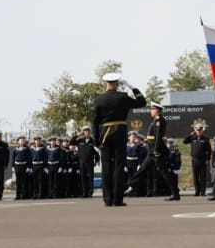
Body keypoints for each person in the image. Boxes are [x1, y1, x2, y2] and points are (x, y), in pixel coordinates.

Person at [93, 73, 146, 206]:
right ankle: (117, 199)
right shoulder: (123, 97)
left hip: (104, 133)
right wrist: (132, 87)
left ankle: (107, 199)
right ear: (117, 83)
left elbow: (95, 121)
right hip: (120, 131)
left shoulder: (99, 99)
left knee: (106, 167)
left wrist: (96, 139)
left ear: (105, 83)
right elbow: (141, 102)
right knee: (118, 166)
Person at [126, 102, 180, 201]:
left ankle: (175, 193)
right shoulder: (156, 120)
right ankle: (130, 186)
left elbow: (158, 136)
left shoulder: (159, 120)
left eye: (152, 109)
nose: (151, 111)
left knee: (164, 173)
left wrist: (156, 150)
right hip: (152, 151)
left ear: (157, 110)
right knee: (142, 169)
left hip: (156, 151)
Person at [70, 126, 100, 198]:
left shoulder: (93, 141)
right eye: (85, 131)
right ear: (83, 132)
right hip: (82, 162)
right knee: (83, 178)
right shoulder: (80, 140)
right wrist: (78, 135)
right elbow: (71, 142)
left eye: (88, 131)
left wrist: (96, 160)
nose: (87, 132)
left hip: (90, 162)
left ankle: (90, 193)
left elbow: (96, 152)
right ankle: (84, 193)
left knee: (90, 178)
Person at [183, 124, 212, 196]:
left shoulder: (205, 139)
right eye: (197, 130)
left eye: (200, 130)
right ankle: (197, 191)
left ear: (202, 131)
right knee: (195, 176)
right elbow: (185, 141)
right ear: (195, 131)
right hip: (195, 159)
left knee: (202, 176)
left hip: (203, 159)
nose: (199, 132)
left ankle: (203, 192)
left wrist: (208, 159)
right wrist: (190, 135)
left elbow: (209, 150)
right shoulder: (192, 138)